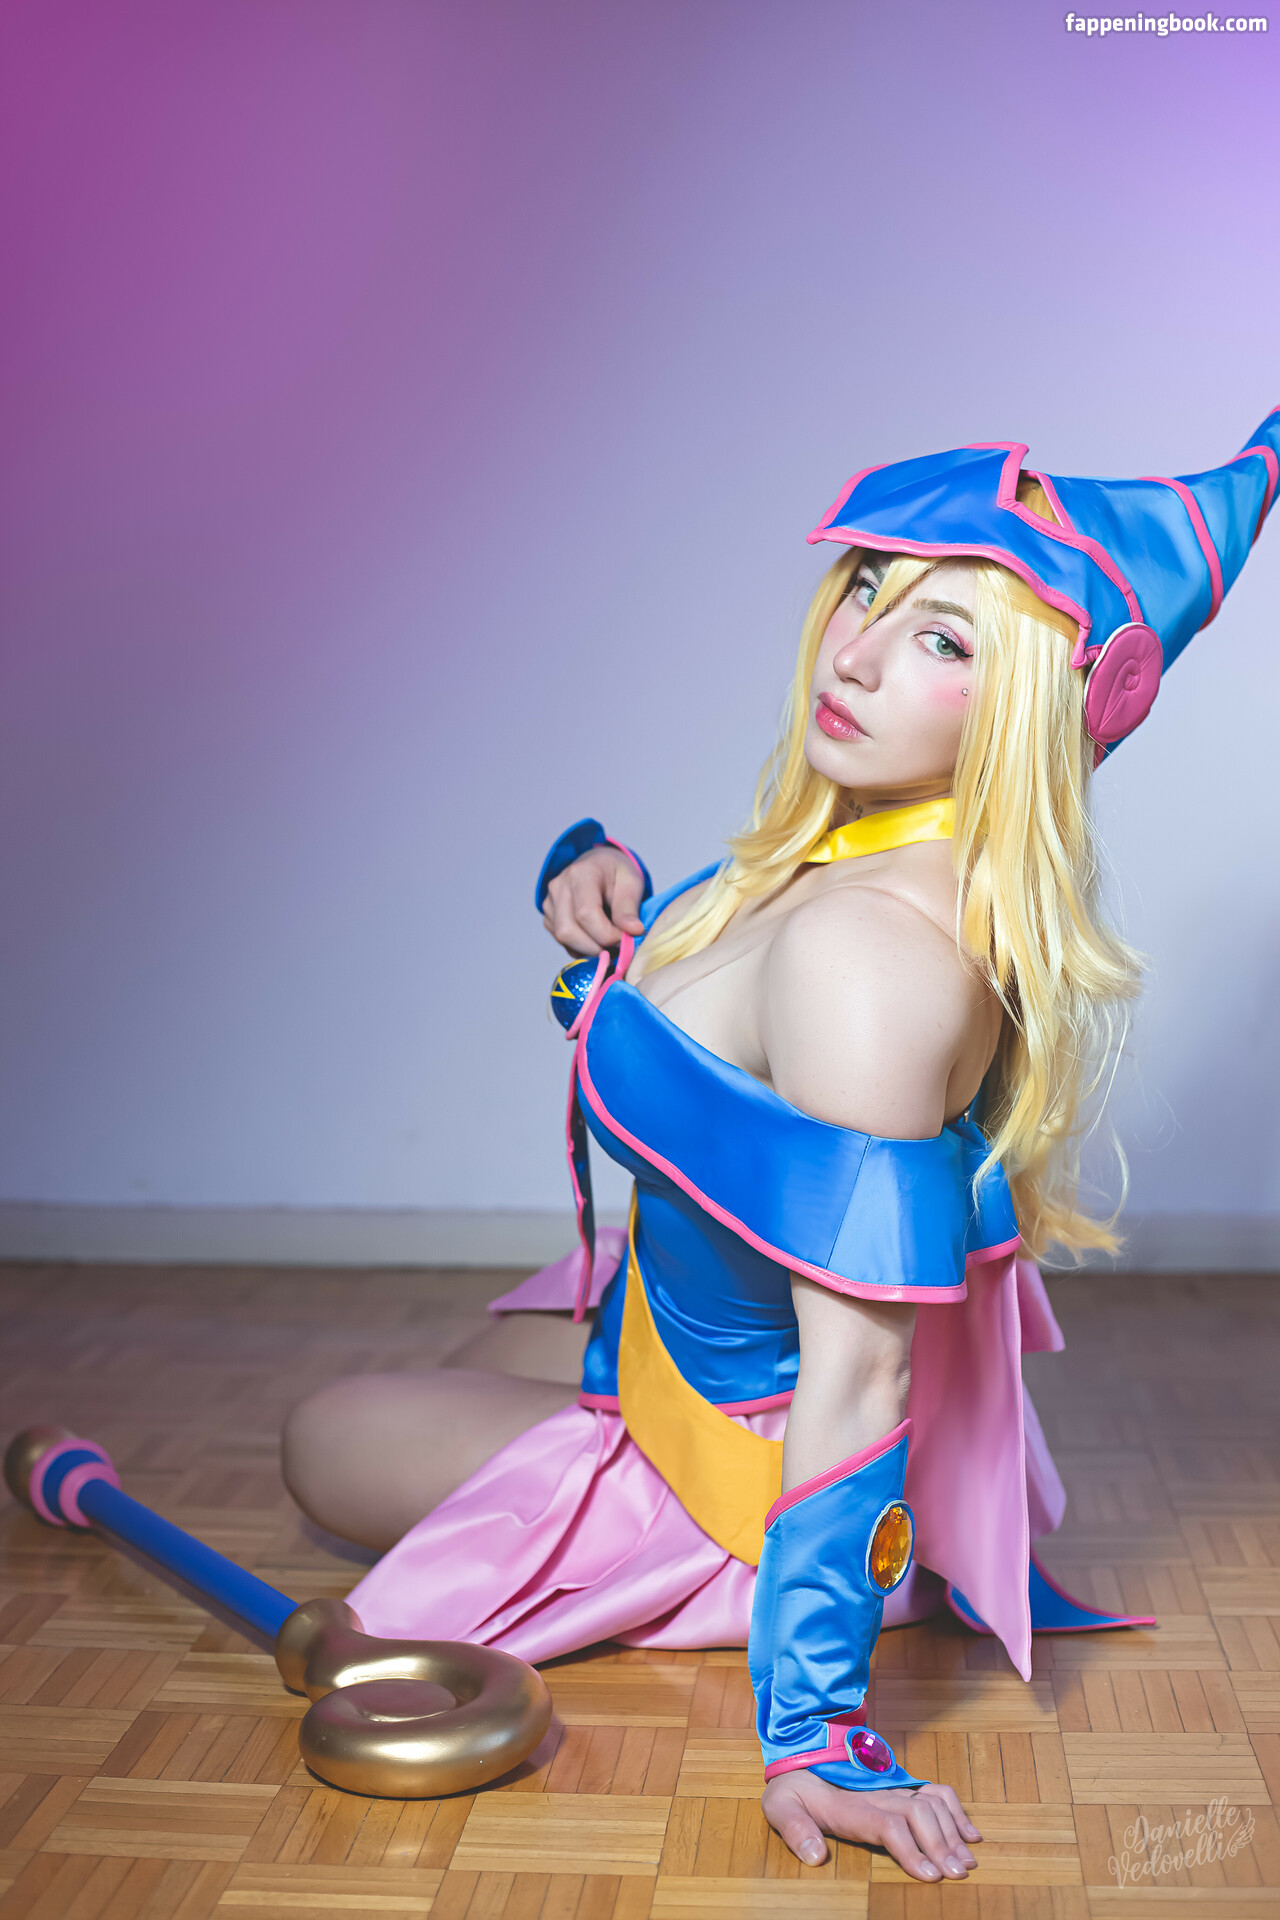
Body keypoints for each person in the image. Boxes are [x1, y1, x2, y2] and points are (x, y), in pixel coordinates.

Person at [282, 411, 1280, 1880]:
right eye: (868, 590)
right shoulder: (859, 849)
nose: (854, 654)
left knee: (322, 1440)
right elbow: (720, 985)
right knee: (474, 1359)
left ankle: (752, 1582)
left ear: (1025, 711)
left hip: (744, 1481)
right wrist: (599, 878)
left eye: (942, 640)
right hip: (676, 1349)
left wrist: (812, 1730)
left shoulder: (872, 964)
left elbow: (864, 1370)